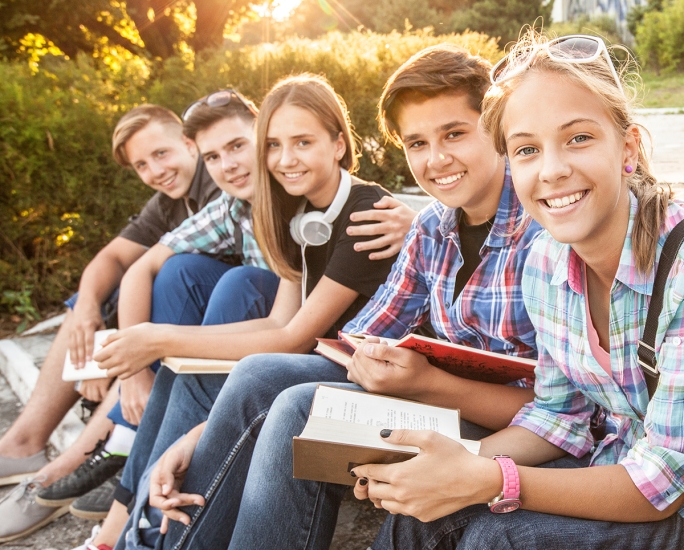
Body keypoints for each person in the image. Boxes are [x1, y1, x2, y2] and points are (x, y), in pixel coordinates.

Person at [349, 33, 684, 550]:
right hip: (623, 464)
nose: (552, 170)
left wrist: (489, 478)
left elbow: (667, 484)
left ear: (628, 148)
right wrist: (443, 467)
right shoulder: (544, 262)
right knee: (419, 518)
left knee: (498, 537)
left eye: (578, 138)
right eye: (528, 149)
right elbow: (559, 416)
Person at [143, 44, 544, 550]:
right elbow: (358, 339)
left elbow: (563, 411)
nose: (436, 158)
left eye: (455, 134)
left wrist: (428, 383)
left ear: (497, 127)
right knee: (258, 374)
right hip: (431, 396)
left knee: (296, 409)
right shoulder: (431, 228)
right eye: (417, 142)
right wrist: (205, 435)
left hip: (507, 424)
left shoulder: (540, 229)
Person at [77, 73, 402, 550]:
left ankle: (144, 541)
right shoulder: (297, 215)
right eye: (273, 145)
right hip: (322, 363)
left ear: (338, 144)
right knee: (180, 370)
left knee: (245, 367)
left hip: (371, 378)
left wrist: (161, 338)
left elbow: (292, 336)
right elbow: (279, 324)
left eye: (302, 142)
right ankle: (134, 532)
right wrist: (165, 349)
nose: (285, 159)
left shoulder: (363, 211)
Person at [0, 104, 223, 543]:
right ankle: (23, 443)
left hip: (215, 328)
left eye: (160, 154)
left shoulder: (224, 186)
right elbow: (113, 258)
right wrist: (86, 309)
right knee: (91, 299)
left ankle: (71, 464)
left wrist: (128, 366)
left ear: (188, 142)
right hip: (172, 329)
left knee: (171, 278)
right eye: (142, 164)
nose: (154, 170)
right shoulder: (171, 199)